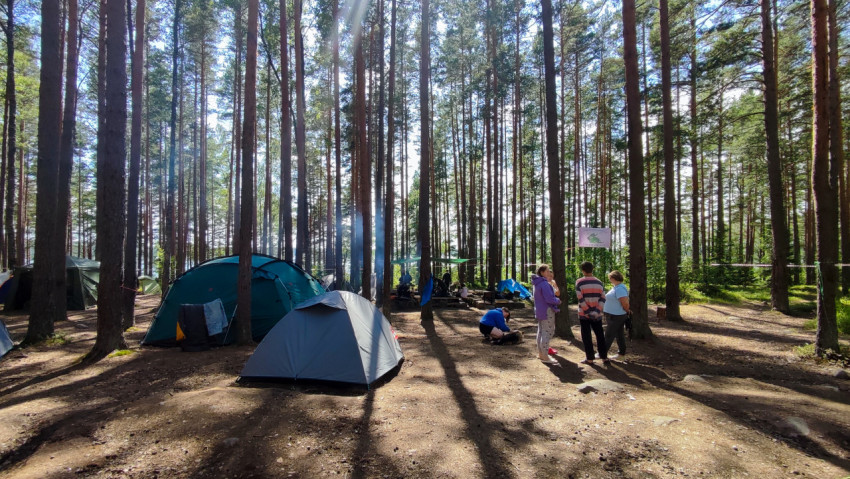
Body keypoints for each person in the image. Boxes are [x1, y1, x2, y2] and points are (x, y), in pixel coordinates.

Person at [575, 261, 607, 364]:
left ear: (583, 270)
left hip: (584, 314)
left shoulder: (579, 282)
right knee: (600, 335)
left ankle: (590, 358)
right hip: (597, 315)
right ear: (592, 269)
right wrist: (597, 311)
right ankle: (604, 357)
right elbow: (603, 298)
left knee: (586, 336)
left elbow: (580, 299)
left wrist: (588, 311)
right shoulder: (599, 282)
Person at [532, 264, 560, 364]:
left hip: (540, 310)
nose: (549, 273)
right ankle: (545, 356)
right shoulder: (544, 284)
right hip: (546, 310)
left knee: (541, 331)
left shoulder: (537, 283)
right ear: (542, 272)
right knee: (547, 332)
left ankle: (541, 353)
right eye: (547, 271)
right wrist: (558, 301)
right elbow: (549, 298)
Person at [601, 270, 629, 359]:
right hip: (613, 315)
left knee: (609, 334)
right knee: (619, 334)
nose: (610, 280)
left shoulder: (620, 288)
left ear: (613, 278)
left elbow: (624, 302)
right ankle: (621, 354)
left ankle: (602, 353)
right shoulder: (616, 287)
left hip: (616, 316)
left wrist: (627, 310)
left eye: (610, 278)